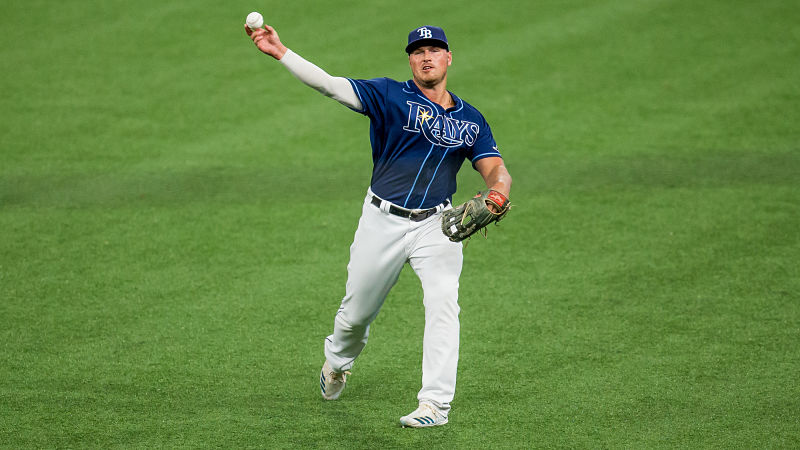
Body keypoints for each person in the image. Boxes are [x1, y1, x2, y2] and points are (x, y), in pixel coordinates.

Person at [245, 23, 512, 428]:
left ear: (448, 58)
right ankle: (337, 363)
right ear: (410, 59)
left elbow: (495, 168)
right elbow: (331, 86)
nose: (426, 57)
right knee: (355, 317)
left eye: (435, 50)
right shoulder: (388, 94)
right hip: (382, 221)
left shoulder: (471, 120)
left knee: (443, 304)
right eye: (418, 51)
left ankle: (435, 406)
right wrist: (282, 52)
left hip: (437, 226)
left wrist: (499, 190)